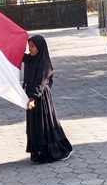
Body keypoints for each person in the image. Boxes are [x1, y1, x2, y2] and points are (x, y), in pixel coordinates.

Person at [22, 35, 73, 163]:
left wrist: (33, 98)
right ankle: (42, 152)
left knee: (47, 125)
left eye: (33, 46)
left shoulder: (45, 64)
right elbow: (21, 57)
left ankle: (63, 149)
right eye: (29, 46)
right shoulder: (32, 59)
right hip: (32, 97)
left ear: (40, 47)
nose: (30, 49)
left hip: (41, 98)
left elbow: (41, 82)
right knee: (36, 125)